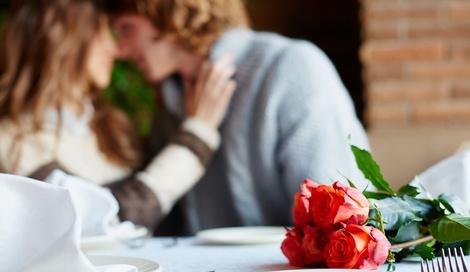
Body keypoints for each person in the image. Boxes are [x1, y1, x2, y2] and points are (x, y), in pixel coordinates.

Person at [106, 0, 371, 235]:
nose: (120, 49)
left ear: (168, 11)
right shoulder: (170, 106)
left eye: (126, 27)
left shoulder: (292, 67)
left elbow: (339, 224)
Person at [0, 0, 236, 231]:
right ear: (65, 37)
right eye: (105, 33)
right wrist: (197, 134)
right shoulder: (12, 143)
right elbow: (103, 222)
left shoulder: (113, 126)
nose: (117, 50)